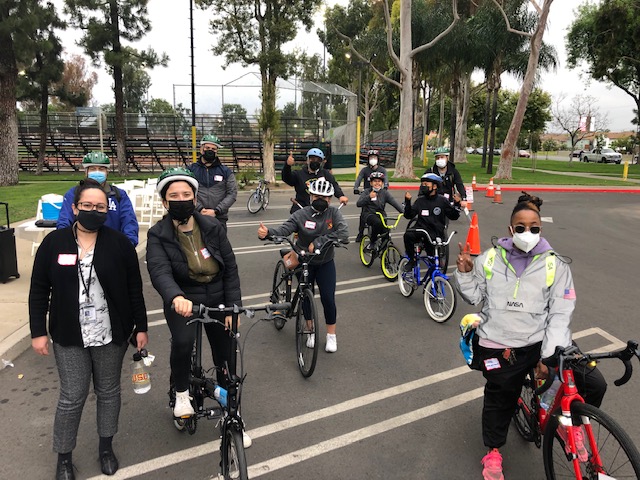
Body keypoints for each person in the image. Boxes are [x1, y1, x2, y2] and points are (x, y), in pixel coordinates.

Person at [454, 192, 607, 480]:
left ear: (541, 229)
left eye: (534, 227)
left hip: (543, 342)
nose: (528, 232)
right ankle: (494, 451)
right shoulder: (490, 259)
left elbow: (561, 312)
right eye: (521, 227)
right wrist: (464, 273)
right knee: (501, 397)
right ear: (511, 230)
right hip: (500, 344)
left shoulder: (555, 264)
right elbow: (473, 295)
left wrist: (549, 357)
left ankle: (566, 423)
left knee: (593, 383)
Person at [29, 179, 148, 479]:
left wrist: (141, 327)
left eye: (100, 207)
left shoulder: (119, 243)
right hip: (69, 334)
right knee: (72, 396)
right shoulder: (54, 243)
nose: (93, 211)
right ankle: (64, 457)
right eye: (87, 206)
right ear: (75, 207)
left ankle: (106, 447)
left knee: (108, 392)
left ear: (107, 210)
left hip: (111, 333)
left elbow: (135, 289)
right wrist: (38, 332)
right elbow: (39, 289)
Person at [145, 167, 251, 445]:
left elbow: (230, 269)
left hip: (217, 295)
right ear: (165, 202)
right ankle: (181, 392)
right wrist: (175, 297)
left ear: (195, 198)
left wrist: (234, 307)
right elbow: (159, 271)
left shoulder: (212, 227)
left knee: (227, 356)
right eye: (174, 195)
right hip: (183, 298)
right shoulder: (158, 234)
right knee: (182, 342)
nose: (181, 199)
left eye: (186, 194)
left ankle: (233, 415)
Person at [257, 178, 349, 352]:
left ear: (330, 199)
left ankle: (331, 336)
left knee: (328, 298)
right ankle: (310, 330)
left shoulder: (334, 214)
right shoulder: (301, 214)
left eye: (325, 197)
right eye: (316, 196)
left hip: (325, 262)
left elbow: (344, 233)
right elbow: (285, 229)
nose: (321, 200)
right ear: (310, 196)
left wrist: (321, 241)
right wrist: (268, 233)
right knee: (305, 295)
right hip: (303, 260)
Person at [57, 151, 139, 246]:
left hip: (113, 246)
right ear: (86, 171)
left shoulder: (119, 195)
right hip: (80, 246)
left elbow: (129, 222)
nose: (97, 172)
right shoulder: (73, 194)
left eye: (101, 169)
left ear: (107, 171)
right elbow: (64, 221)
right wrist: (64, 243)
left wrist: (127, 246)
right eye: (92, 169)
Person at [402, 173, 461, 269]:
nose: (423, 186)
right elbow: (409, 215)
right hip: (421, 230)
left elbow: (453, 216)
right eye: (422, 184)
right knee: (408, 235)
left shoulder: (442, 201)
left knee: (433, 261)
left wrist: (457, 204)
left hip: (435, 232)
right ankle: (411, 259)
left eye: (426, 184)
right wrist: (407, 202)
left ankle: (434, 276)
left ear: (434, 186)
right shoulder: (420, 201)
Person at [187, 134, 238, 231]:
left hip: (219, 218)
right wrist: (200, 209)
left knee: (219, 245)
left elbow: (232, 194)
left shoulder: (226, 171)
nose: (210, 150)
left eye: (213, 149)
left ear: (217, 151)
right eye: (207, 147)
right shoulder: (191, 170)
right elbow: (186, 192)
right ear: (201, 149)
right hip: (196, 217)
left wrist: (216, 211)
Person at [282, 147, 348, 214]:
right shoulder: (299, 174)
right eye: (312, 159)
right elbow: (287, 178)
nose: (315, 161)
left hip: (320, 209)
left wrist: (341, 196)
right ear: (307, 160)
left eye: (318, 160)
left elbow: (334, 185)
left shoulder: (325, 174)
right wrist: (287, 166)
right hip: (301, 209)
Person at [355, 171, 403, 246]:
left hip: (381, 214)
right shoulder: (367, 192)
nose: (377, 183)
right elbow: (358, 204)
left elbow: (394, 203)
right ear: (371, 183)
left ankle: (384, 250)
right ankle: (372, 242)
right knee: (377, 223)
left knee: (386, 231)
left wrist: (403, 212)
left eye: (379, 181)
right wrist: (369, 197)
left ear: (382, 183)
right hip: (369, 214)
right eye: (375, 181)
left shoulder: (384, 193)